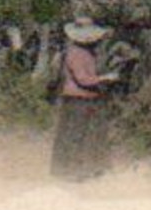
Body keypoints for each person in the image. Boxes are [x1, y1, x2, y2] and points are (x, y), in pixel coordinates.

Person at [51, 16, 120, 180]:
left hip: (85, 98)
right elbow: (83, 79)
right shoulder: (76, 53)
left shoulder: (84, 52)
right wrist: (105, 78)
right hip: (78, 99)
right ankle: (73, 171)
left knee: (85, 135)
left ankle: (81, 169)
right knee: (76, 135)